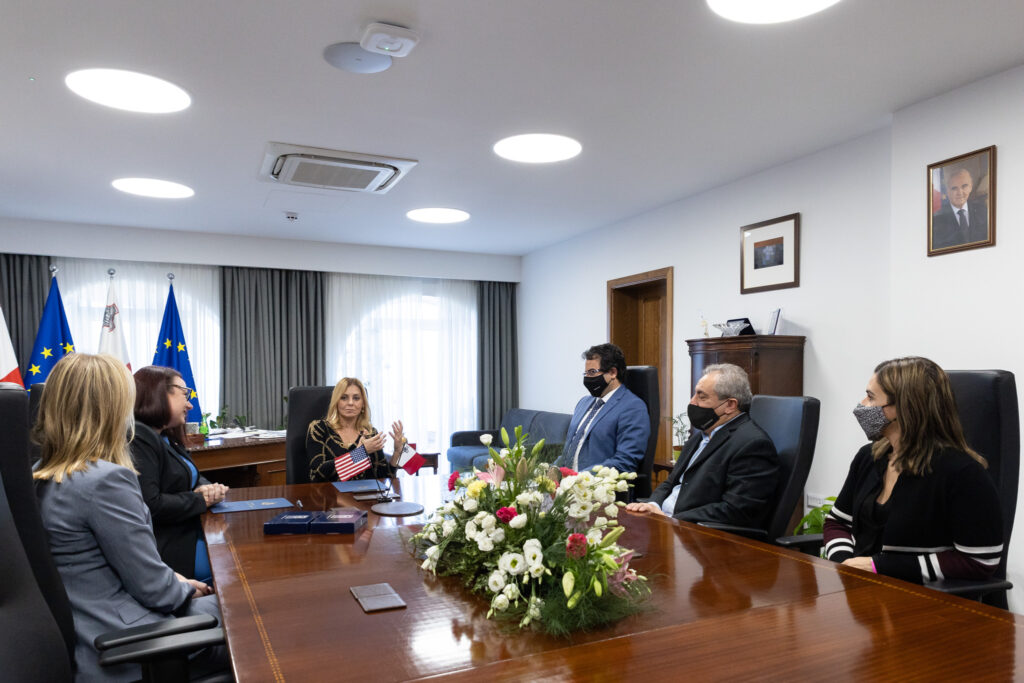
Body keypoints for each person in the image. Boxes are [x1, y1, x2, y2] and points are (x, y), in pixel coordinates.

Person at [32, 354, 226, 681]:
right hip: (127, 643)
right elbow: (156, 591)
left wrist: (176, 580)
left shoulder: (38, 474)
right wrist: (184, 587)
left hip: (84, 630)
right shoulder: (105, 480)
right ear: (110, 410)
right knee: (254, 615)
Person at [823, 357, 1003, 583]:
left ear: (905, 408)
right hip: (864, 597)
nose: (862, 405)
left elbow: (980, 561)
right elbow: (837, 522)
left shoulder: (963, 473)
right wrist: (846, 562)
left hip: (924, 602)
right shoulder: (868, 457)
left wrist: (878, 567)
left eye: (871, 397)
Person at [626, 363, 779, 527]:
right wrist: (652, 505)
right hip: (665, 522)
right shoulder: (701, 435)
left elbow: (737, 509)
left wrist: (672, 519)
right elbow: (671, 482)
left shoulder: (752, 444)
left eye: (702, 396)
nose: (692, 402)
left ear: (730, 405)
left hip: (697, 534)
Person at [130, 365, 227, 581]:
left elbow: (190, 474)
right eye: (185, 394)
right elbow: (151, 505)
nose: (190, 404)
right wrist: (200, 499)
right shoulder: (140, 437)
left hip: (190, 530)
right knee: (234, 565)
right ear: (159, 394)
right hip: (173, 547)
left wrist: (207, 488)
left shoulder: (165, 436)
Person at [555, 343, 650, 474]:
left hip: (595, 487)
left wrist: (581, 478)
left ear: (612, 372)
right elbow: (570, 449)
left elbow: (625, 461)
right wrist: (554, 469)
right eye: (586, 373)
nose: (587, 378)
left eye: (592, 372)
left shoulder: (633, 407)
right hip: (565, 486)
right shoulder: (583, 403)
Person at [307, 376, 406, 482]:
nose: (350, 403)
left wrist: (397, 452)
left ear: (363, 404)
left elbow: (383, 478)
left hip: (365, 496)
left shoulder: (370, 434)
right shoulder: (319, 428)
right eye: (344, 398)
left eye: (356, 398)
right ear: (336, 402)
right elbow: (318, 474)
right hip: (329, 496)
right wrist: (360, 453)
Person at [931, 167, 989, 249]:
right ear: (947, 191)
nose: (960, 192)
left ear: (971, 187)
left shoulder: (983, 211)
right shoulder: (936, 220)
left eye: (964, 186)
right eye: (954, 188)